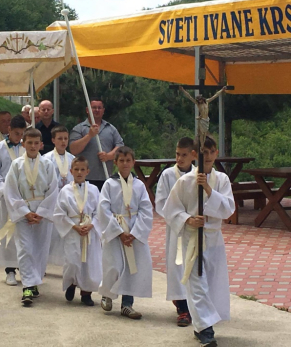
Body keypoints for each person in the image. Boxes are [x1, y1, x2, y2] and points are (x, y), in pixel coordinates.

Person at [163, 136, 235, 347]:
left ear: (216, 153)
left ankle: (200, 324)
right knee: (197, 283)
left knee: (211, 283)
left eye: (212, 152)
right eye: (204, 152)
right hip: (192, 238)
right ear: (196, 155)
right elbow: (171, 210)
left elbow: (228, 208)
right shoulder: (184, 182)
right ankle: (206, 330)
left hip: (213, 238)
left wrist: (208, 190)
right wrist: (188, 219)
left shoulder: (221, 180)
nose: (209, 156)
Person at [4, 127, 59, 305]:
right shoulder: (16, 165)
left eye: (36, 143)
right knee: (25, 248)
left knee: (40, 249)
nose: (33, 146)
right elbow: (10, 190)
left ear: (41, 144)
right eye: (30, 143)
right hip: (24, 210)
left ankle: (34, 281)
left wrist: (42, 212)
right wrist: (25, 212)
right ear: (23, 144)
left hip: (42, 211)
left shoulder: (48, 165)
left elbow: (53, 190)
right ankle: (27, 285)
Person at [98, 146, 153, 319]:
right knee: (114, 265)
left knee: (132, 268)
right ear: (115, 162)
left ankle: (127, 304)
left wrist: (135, 233)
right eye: (121, 160)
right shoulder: (109, 184)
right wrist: (119, 231)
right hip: (115, 230)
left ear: (133, 162)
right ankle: (107, 294)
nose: (125, 164)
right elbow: (103, 208)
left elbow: (146, 209)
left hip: (134, 231)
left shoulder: (139, 185)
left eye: (128, 160)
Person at [155, 137, 197, 327]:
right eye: (177, 154)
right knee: (178, 266)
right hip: (177, 229)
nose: (179, 158)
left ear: (193, 155)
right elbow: (161, 203)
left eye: (184, 155)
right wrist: (182, 217)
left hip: (196, 229)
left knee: (195, 267)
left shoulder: (200, 174)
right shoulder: (167, 175)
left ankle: (196, 306)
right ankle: (182, 308)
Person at [53, 156, 102, 306]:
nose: (79, 172)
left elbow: (100, 212)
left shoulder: (93, 190)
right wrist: (73, 226)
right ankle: (71, 283)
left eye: (82, 169)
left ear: (87, 171)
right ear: (71, 171)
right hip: (73, 229)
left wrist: (92, 225)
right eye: (76, 169)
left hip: (89, 231)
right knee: (72, 261)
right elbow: (59, 213)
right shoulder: (65, 191)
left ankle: (86, 293)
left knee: (89, 263)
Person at [0, 115, 27, 286]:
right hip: (6, 197)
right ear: (9, 130)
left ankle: (25, 268)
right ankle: (9, 269)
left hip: (23, 198)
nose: (19, 138)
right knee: (8, 234)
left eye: (22, 134)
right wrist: (6, 192)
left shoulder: (26, 147)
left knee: (24, 233)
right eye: (17, 133)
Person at [69, 98, 124, 190]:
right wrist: (89, 135)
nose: (97, 110)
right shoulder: (79, 129)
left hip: (106, 177)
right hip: (85, 178)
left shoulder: (110, 129)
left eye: (99, 108)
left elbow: (121, 147)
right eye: (94, 108)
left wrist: (108, 156)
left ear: (103, 111)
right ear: (87, 110)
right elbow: (73, 149)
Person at [43, 126, 75, 267]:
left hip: (67, 200)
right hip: (52, 199)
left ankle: (65, 263)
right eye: (60, 138)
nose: (63, 142)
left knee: (64, 233)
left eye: (65, 138)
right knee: (48, 233)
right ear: (53, 140)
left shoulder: (72, 159)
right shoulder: (46, 158)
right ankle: (42, 263)